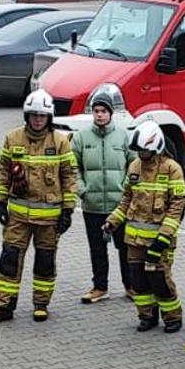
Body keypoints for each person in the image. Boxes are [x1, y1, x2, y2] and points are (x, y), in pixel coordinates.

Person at [0, 88, 77, 323]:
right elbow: (4, 172)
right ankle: (5, 304)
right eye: (34, 115)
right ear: (26, 115)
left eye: (42, 116)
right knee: (9, 259)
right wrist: (0, 202)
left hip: (49, 218)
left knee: (45, 262)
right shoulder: (12, 138)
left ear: (49, 118)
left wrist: (68, 210)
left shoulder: (60, 142)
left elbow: (69, 177)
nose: (38, 119)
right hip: (17, 216)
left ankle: (41, 303)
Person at [103, 120, 185, 333]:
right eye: (138, 150)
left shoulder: (172, 169)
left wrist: (165, 236)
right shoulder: (134, 167)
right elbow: (126, 200)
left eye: (144, 150)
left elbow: (177, 206)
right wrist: (113, 221)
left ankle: (172, 317)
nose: (141, 154)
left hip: (160, 239)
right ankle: (147, 316)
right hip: (134, 239)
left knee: (159, 279)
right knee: (137, 279)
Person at [71, 83, 135, 303]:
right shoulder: (80, 138)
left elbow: (133, 166)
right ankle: (100, 287)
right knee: (97, 250)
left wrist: (126, 190)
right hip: (93, 205)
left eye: (103, 111)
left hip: (119, 206)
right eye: (96, 111)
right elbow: (72, 167)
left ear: (110, 113)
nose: (99, 115)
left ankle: (131, 286)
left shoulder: (123, 137)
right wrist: (82, 190)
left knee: (125, 249)